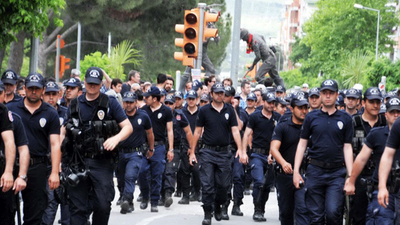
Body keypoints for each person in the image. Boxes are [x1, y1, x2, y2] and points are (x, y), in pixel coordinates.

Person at [61, 67, 133, 225]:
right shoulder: (74, 104)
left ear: (101, 83)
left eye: (95, 83)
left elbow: (128, 127)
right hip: (77, 161)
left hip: (102, 162)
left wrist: (116, 138)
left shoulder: (110, 103)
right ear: (84, 82)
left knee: (102, 205)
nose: (92, 86)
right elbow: (63, 132)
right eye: (89, 83)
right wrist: (59, 160)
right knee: (76, 208)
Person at [293, 79, 353, 224]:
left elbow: (347, 147)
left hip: (337, 173)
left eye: (331, 93)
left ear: (337, 95)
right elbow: (302, 144)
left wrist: (350, 177)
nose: (327, 96)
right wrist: (296, 172)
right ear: (320, 95)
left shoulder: (345, 118)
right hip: (315, 171)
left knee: (333, 213)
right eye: (325, 93)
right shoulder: (311, 117)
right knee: (315, 217)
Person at [189, 83, 248, 225]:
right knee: (207, 185)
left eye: (222, 93)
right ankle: (207, 213)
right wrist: (192, 152)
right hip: (207, 152)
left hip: (224, 153)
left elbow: (235, 130)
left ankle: (218, 205)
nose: (220, 95)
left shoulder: (229, 110)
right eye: (217, 93)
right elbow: (197, 131)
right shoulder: (204, 111)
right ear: (212, 94)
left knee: (223, 185)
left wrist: (240, 149)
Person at [7, 73, 61, 225]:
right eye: (30, 88)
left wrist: (55, 172)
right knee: (6, 211)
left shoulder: (50, 113)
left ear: (43, 90)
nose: (33, 92)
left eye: (37, 89)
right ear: (24, 88)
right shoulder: (10, 109)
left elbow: (55, 144)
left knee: (35, 213)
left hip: (37, 166)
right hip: (11, 166)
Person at [345, 96, 400, 224]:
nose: (396, 115)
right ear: (386, 115)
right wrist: (351, 181)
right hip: (384, 187)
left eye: (399, 112)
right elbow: (362, 158)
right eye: (393, 112)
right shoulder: (376, 134)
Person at [270, 94, 310, 225]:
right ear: (292, 109)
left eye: (306, 107)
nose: (304, 111)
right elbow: (274, 148)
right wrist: (283, 163)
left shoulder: (310, 127)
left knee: (302, 209)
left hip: (305, 175)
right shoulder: (283, 126)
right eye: (300, 108)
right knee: (286, 212)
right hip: (285, 175)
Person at [349, 87, 385, 225]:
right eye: (372, 102)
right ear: (364, 103)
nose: (375, 105)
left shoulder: (384, 122)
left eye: (378, 102)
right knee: (358, 216)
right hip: (359, 176)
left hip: (380, 178)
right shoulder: (353, 122)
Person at [242, 92, 279, 222]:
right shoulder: (255, 117)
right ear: (263, 102)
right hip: (257, 154)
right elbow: (246, 134)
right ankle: (257, 209)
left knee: (267, 185)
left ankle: (261, 208)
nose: (271, 105)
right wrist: (243, 152)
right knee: (258, 182)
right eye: (269, 102)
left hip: (272, 155)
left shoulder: (277, 118)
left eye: (273, 103)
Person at [117, 91, 154, 214]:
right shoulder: (119, 116)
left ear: (136, 103)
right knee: (121, 178)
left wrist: (151, 148)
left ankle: (126, 200)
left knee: (130, 177)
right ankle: (127, 200)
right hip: (120, 152)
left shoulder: (143, 116)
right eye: (126, 102)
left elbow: (150, 133)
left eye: (131, 102)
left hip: (136, 153)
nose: (128, 104)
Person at [139, 86, 174, 213]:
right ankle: (145, 196)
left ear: (155, 98)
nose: (145, 99)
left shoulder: (166, 111)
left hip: (159, 146)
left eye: (147, 97)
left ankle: (154, 201)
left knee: (157, 174)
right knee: (142, 171)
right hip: (144, 146)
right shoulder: (143, 110)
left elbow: (170, 131)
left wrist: (170, 149)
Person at [41, 80, 69, 225]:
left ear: (59, 94)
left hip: (63, 163)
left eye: (54, 94)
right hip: (43, 162)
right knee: (47, 202)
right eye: (48, 94)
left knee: (64, 202)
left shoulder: (66, 113)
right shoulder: (39, 112)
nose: (51, 97)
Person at [160, 95, 193, 207]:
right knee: (160, 171)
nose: (169, 106)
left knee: (170, 170)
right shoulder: (160, 114)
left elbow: (188, 132)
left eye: (171, 103)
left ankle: (168, 194)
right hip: (161, 146)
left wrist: (191, 148)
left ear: (175, 104)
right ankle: (161, 196)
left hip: (176, 147)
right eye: (167, 103)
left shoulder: (179, 115)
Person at [0, 81, 24, 225]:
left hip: (1, 172)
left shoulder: (2, 112)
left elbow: (10, 141)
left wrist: (8, 172)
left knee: (5, 215)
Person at [180, 89, 201, 203]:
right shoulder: (182, 113)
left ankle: (197, 192)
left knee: (197, 170)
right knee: (184, 171)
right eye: (189, 99)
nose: (191, 101)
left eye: (193, 99)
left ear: (197, 100)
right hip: (185, 145)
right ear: (186, 99)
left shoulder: (201, 112)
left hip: (198, 146)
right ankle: (185, 195)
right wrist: (188, 146)